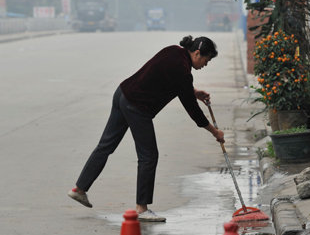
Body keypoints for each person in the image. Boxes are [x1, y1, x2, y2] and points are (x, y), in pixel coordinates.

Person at [68, 35, 224, 222]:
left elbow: (172, 80)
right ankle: (142, 208)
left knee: (105, 146)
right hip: (136, 106)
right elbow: (193, 110)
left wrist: (194, 92)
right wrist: (214, 132)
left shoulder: (173, 51)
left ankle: (79, 189)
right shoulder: (183, 71)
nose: (205, 64)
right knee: (149, 156)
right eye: (206, 60)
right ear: (197, 53)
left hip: (122, 94)